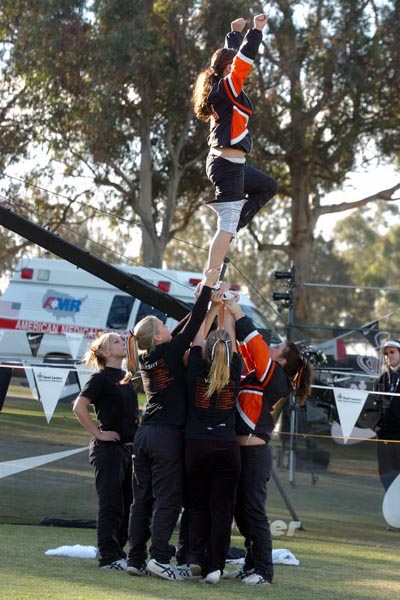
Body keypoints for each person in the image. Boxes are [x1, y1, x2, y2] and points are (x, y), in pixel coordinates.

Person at [125, 268, 219, 581]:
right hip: (166, 436)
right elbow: (191, 328)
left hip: (144, 435)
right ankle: (160, 558)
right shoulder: (171, 350)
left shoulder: (147, 356)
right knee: (168, 499)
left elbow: (184, 327)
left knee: (142, 500)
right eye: (164, 327)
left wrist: (200, 305)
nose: (168, 328)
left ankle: (135, 558)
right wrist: (206, 288)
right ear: (159, 336)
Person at [224, 300, 313, 585]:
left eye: (278, 349)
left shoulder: (276, 378)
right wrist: (226, 314)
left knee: (252, 510)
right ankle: (251, 565)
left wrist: (238, 311)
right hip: (238, 451)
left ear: (283, 361)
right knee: (240, 510)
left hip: (254, 454)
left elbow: (257, 346)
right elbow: (249, 350)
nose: (272, 348)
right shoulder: (261, 374)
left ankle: (263, 570)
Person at [192, 13, 278, 273]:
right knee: (226, 225)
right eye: (233, 65)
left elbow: (230, 58)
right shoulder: (226, 87)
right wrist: (256, 30)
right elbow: (242, 60)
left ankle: (231, 231)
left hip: (234, 164)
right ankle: (209, 280)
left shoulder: (222, 86)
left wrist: (234, 34)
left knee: (268, 186)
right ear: (228, 69)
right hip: (226, 165)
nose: (237, 67)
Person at [184, 290, 242, 584]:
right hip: (227, 447)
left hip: (196, 445)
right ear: (229, 351)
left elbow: (197, 335)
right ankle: (215, 567)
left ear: (207, 349)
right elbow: (228, 339)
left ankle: (195, 557)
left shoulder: (196, 364)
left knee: (197, 505)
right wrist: (229, 309)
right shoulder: (235, 368)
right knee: (222, 510)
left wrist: (212, 307)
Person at [73, 333, 139, 571]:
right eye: (116, 342)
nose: (123, 342)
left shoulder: (126, 376)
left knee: (127, 503)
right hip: (108, 449)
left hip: (128, 449)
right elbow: (79, 407)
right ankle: (108, 557)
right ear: (105, 353)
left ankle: (118, 552)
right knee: (111, 504)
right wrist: (98, 433)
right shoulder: (99, 378)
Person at [373, 340, 400, 492]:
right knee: (385, 473)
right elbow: (373, 406)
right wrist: (375, 425)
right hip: (384, 435)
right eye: (386, 353)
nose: (389, 356)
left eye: (392, 352)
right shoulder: (381, 379)